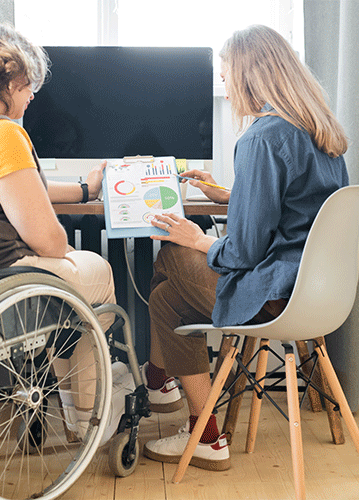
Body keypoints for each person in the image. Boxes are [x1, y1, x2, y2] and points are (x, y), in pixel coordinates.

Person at [142, 24, 349, 471]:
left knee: (172, 252)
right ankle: (195, 425)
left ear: (248, 76)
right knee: (165, 299)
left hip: (274, 298)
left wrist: (198, 239)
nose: (224, 84)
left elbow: (246, 252)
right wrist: (232, 196)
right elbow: (300, 210)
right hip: (318, 294)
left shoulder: (260, 137)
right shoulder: (323, 132)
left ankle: (161, 384)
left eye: (226, 74)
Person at [0, 23, 133, 446]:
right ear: (8, 80)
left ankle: (65, 388)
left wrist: (87, 189)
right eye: (29, 82)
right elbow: (48, 241)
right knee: (99, 272)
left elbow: (16, 184)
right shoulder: (1, 132)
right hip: (2, 276)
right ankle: (86, 417)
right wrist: (65, 252)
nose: (33, 94)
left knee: (70, 281)